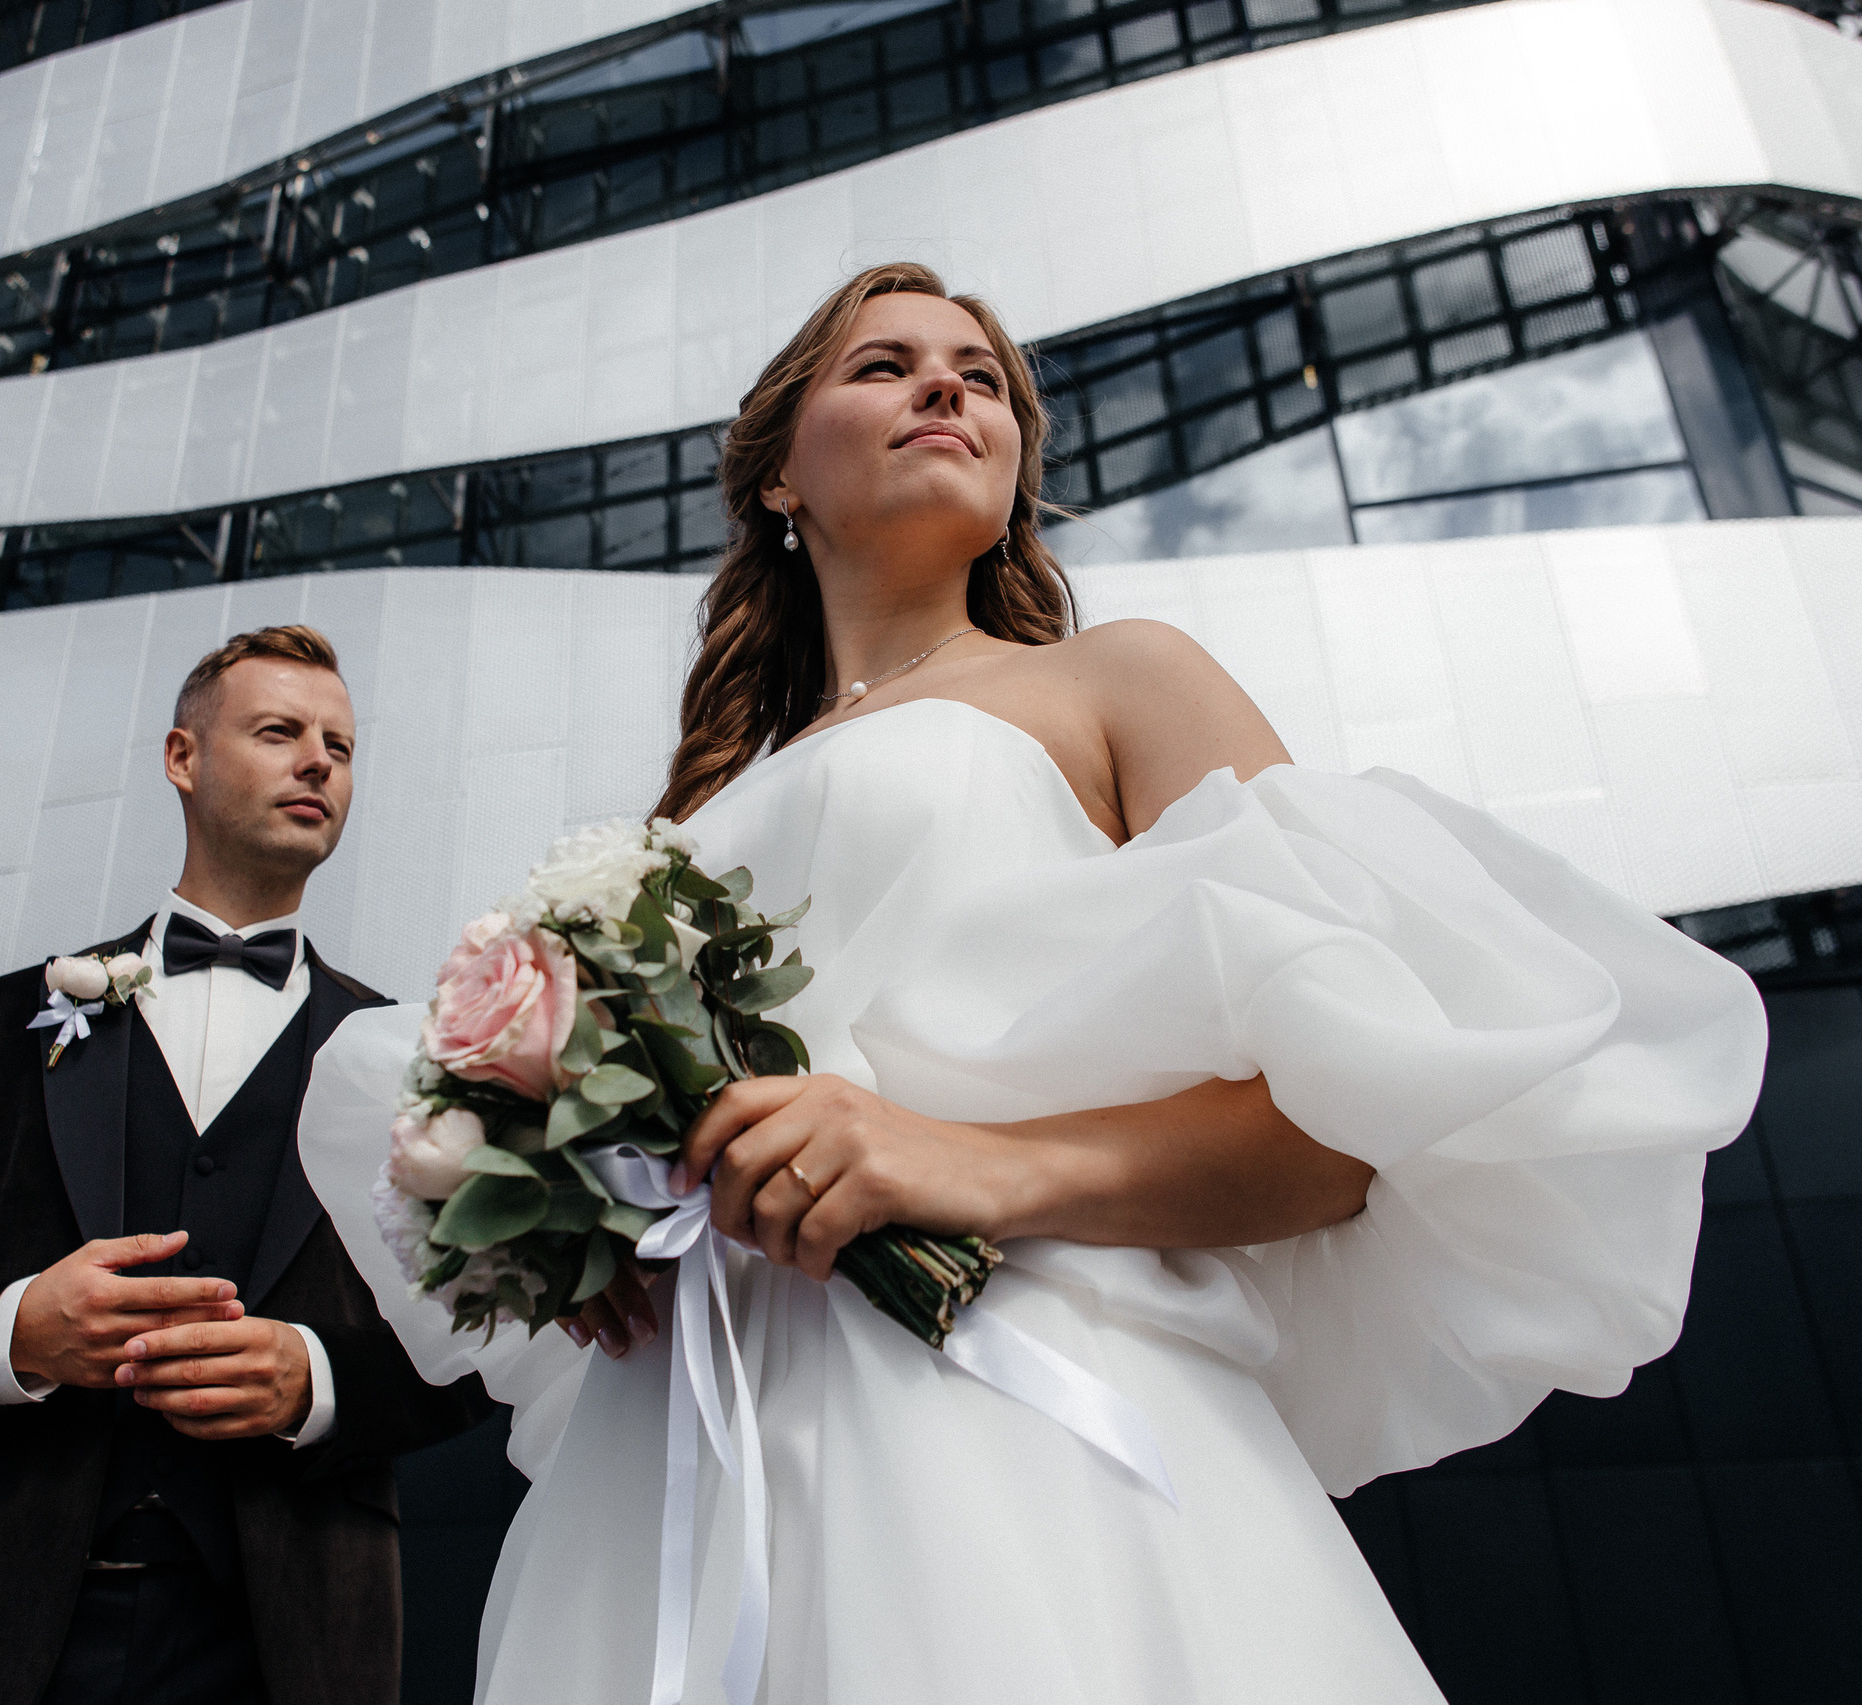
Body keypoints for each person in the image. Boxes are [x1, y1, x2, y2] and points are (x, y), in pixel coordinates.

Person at [300, 265, 1768, 1701]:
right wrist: (589, 1216)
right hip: (683, 1447)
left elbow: (1341, 1138)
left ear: (1013, 473)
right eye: (884, 365)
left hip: (1009, 1398)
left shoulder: (1117, 681)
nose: (946, 387)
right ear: (779, 476)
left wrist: (969, 1163)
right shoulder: (683, 822)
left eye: (983, 379)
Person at [0, 624, 492, 1705]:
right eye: (280, 732)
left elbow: (486, 1340)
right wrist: (15, 1331)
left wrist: (315, 1381)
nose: (318, 762)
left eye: (341, 747)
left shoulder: (413, 1061)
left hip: (288, 1645)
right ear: (182, 757)